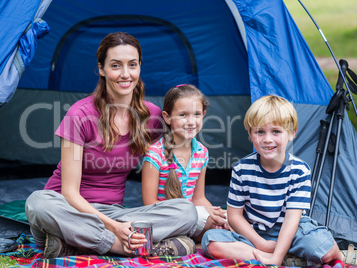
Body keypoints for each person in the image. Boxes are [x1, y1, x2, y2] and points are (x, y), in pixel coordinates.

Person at [25, 32, 198, 259]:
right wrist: (115, 230)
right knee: (37, 202)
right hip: (68, 212)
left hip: (114, 213)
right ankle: (124, 246)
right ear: (101, 69)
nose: (125, 74)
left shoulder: (152, 117)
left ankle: (76, 245)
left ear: (139, 68)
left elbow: (180, 157)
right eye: (116, 65)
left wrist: (203, 210)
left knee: (187, 211)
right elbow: (68, 193)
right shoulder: (80, 114)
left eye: (132, 65)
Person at [201, 95, 345, 266]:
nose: (267, 139)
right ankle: (269, 255)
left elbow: (292, 220)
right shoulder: (241, 169)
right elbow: (234, 216)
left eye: (276, 131)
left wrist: (275, 259)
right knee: (211, 241)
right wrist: (260, 243)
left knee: (324, 249)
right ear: (250, 135)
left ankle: (280, 255)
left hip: (293, 232)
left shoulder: (299, 170)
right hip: (255, 233)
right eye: (260, 131)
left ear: (291, 134)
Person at [141, 84, 229, 244]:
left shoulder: (202, 153)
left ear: (204, 114)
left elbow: (199, 198)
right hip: (165, 220)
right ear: (167, 117)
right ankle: (180, 240)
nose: (190, 122)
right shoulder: (155, 154)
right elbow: (149, 205)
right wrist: (189, 213)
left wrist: (214, 213)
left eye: (196, 114)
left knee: (228, 220)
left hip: (192, 217)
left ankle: (185, 240)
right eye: (183, 115)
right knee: (192, 214)